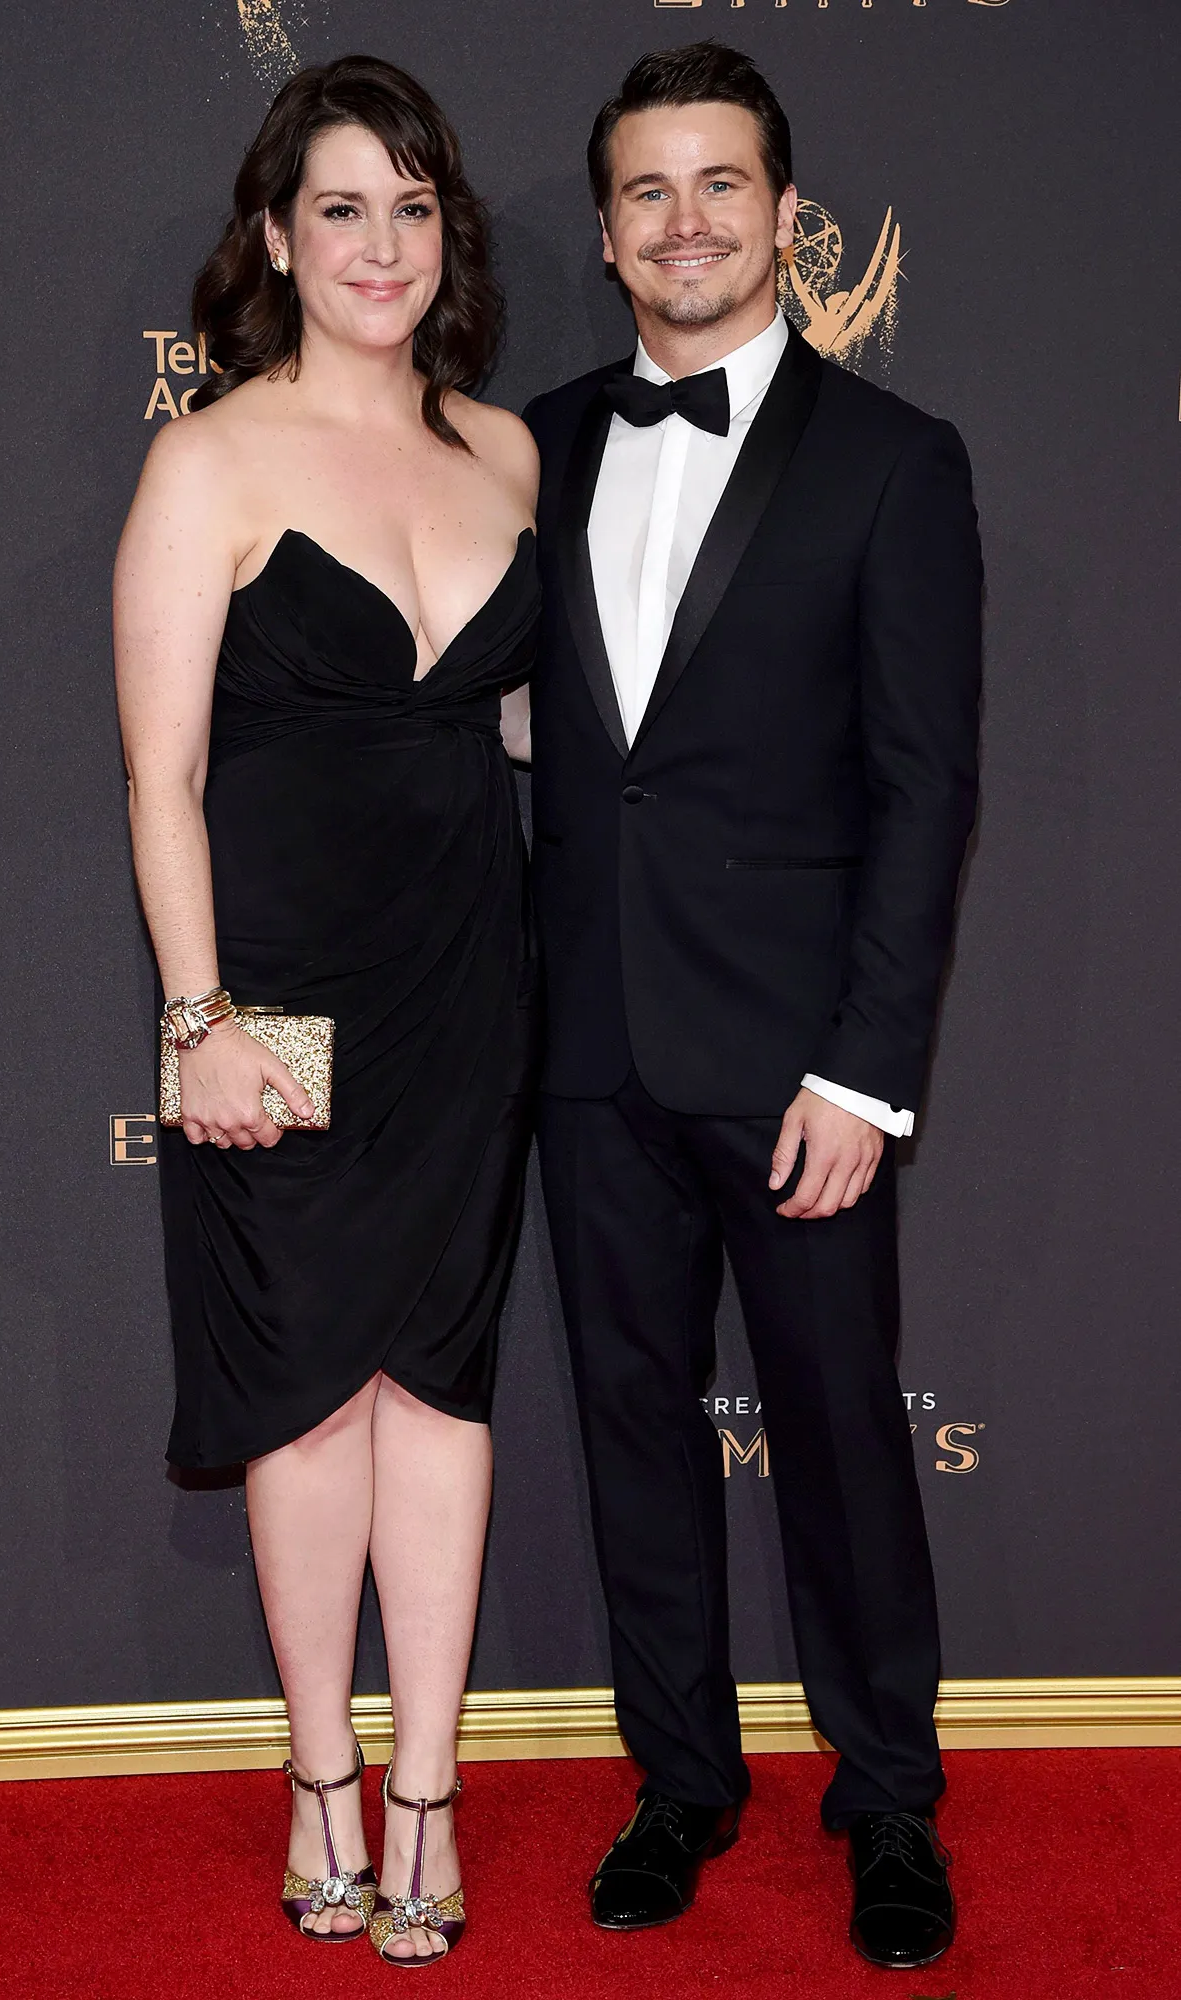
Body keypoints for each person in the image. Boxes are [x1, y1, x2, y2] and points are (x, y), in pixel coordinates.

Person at [526, 42, 981, 1972]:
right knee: (630, 1433)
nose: (684, 220)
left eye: (721, 183)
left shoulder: (893, 458)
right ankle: (680, 1784)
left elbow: (923, 788)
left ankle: (885, 1802)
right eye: (647, 189)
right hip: (589, 1053)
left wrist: (866, 1074)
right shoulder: (530, 445)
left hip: (798, 1066)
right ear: (604, 231)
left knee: (843, 1445)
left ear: (786, 216)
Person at [114, 55, 538, 1967]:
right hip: (273, 997)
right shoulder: (210, 459)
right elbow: (161, 775)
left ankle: (428, 1792)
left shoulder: (502, 452)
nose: (381, 246)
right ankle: (320, 1781)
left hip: (470, 989)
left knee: (439, 1389)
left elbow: (512, 724)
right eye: (341, 209)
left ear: (448, 234)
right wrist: (198, 1016)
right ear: (277, 240)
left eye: (412, 207)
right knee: (304, 1400)